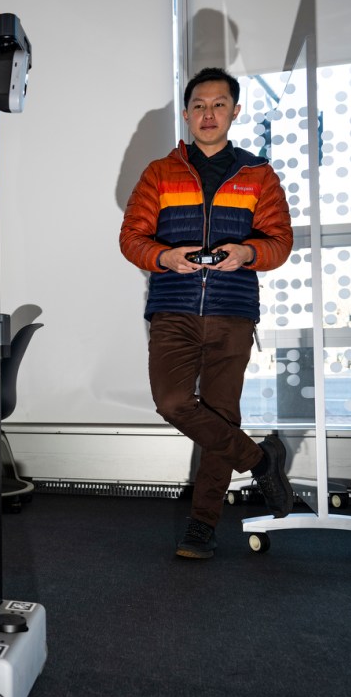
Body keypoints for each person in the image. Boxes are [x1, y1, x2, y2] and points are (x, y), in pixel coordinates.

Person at [119, 67, 295, 559]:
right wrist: (165, 257)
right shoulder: (160, 172)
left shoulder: (258, 174)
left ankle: (203, 524)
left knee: (221, 414)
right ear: (186, 113)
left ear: (235, 111)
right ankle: (261, 460)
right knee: (173, 401)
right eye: (199, 105)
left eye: (219, 105)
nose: (208, 114)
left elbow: (280, 242)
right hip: (173, 308)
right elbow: (132, 237)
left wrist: (246, 253)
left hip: (232, 311)